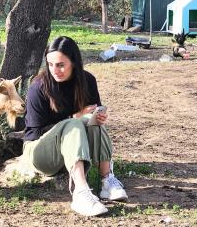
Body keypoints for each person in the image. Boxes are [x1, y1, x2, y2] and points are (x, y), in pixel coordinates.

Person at [22, 36, 128, 217]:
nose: (55, 70)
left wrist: (97, 117)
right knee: (74, 124)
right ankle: (80, 192)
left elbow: (92, 121)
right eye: (50, 64)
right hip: (40, 154)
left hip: (73, 153)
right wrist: (73, 117)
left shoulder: (87, 81)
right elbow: (35, 132)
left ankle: (106, 181)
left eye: (61, 64)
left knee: (93, 122)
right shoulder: (37, 88)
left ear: (74, 62)